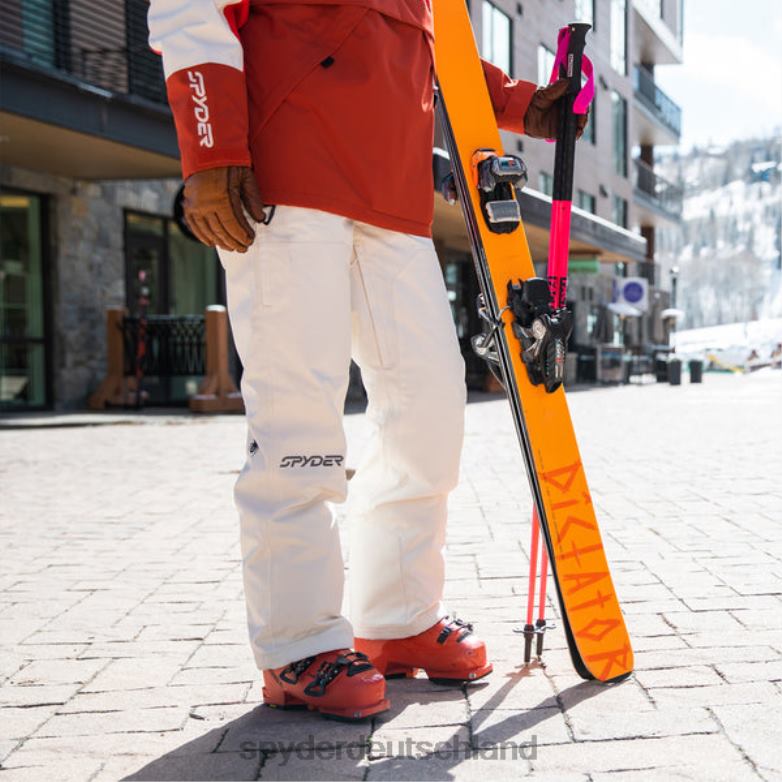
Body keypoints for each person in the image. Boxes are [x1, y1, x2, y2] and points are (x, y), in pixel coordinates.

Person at [148, 0, 586, 721]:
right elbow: (191, 10)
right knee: (300, 423)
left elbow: (430, 53)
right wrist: (212, 150)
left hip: (397, 201)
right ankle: (299, 644)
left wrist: (523, 106)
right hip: (284, 186)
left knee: (430, 414)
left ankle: (398, 615)